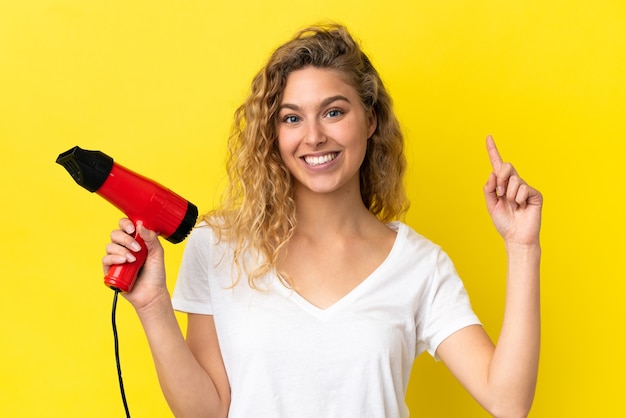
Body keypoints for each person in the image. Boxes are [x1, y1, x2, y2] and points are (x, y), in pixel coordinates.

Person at [103, 23, 542, 418]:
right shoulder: (217, 245)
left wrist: (523, 248)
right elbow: (207, 413)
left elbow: (507, 401)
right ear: (274, 135)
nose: (313, 136)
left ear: (370, 120)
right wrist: (153, 307)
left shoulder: (420, 266)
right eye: (292, 118)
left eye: (333, 111)